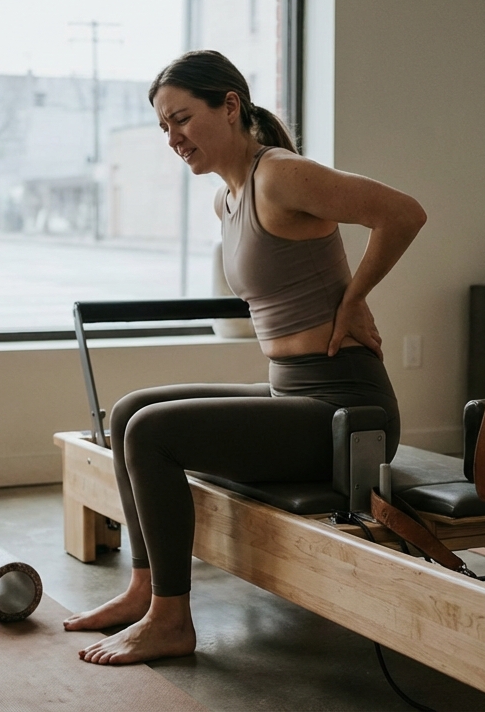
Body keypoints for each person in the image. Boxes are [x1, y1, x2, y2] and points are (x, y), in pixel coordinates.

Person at [60, 50, 426, 665]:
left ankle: (173, 621)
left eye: (182, 119)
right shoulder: (226, 199)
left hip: (347, 411)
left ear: (230, 105)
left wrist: (354, 298)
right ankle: (145, 590)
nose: (174, 138)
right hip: (294, 394)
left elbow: (403, 213)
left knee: (152, 433)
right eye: (163, 128)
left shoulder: (278, 173)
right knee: (129, 412)